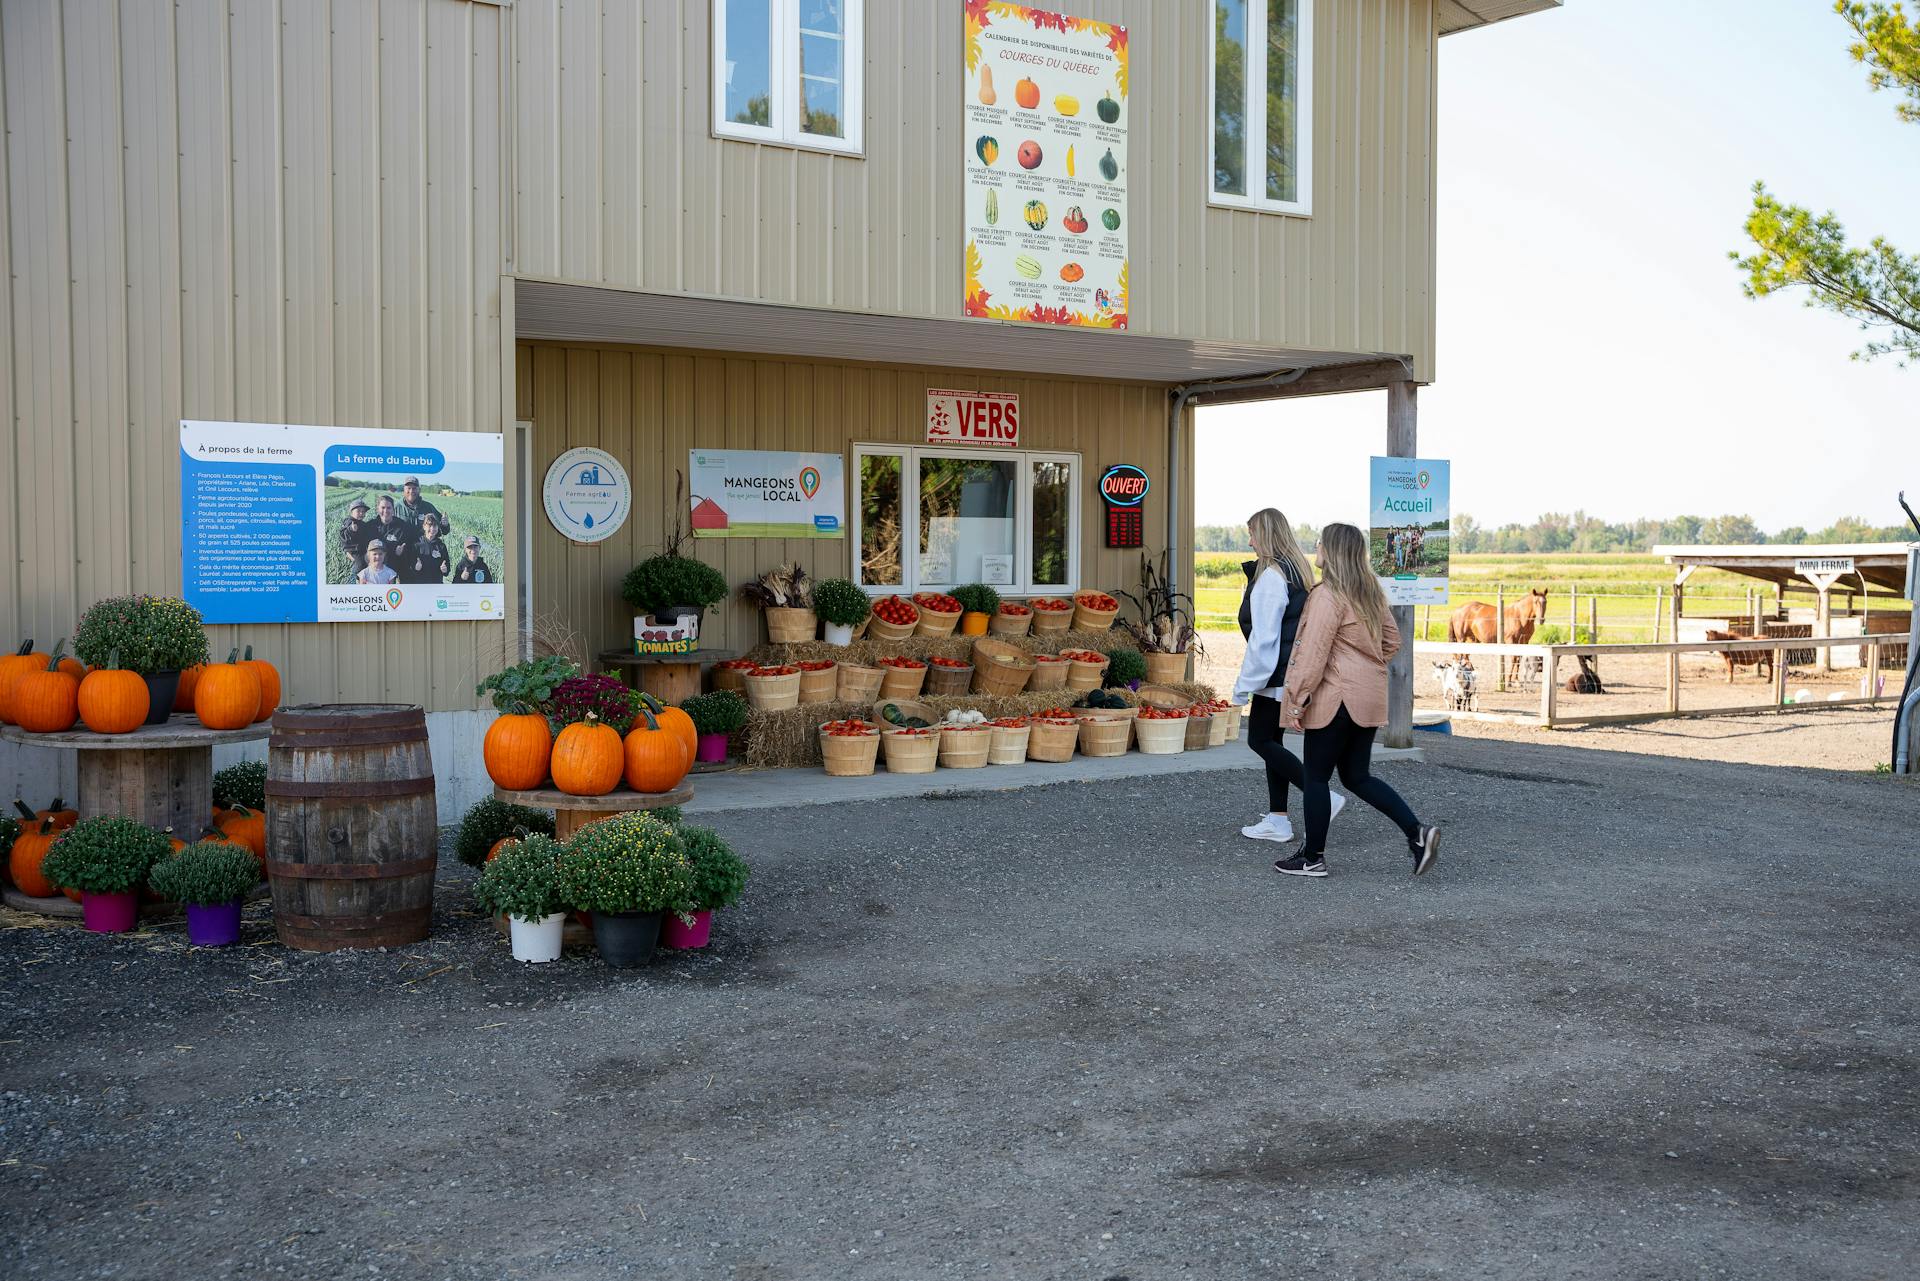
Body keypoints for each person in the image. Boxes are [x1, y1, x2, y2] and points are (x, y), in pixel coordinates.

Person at [1275, 522, 1441, 879]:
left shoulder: (1327, 595)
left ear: (1331, 550)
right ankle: (1417, 834)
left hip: (1336, 698)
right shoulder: (1369, 593)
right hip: (1366, 697)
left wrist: (1296, 701)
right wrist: (1364, 663)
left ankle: (1312, 858)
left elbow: (1314, 653)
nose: (1315, 546)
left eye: (1320, 542)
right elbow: (1391, 641)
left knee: (1316, 778)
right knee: (1356, 776)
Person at [1233, 508, 1342, 844]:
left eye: (1252, 533)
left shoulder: (1271, 577)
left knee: (1259, 740)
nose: (1249, 541)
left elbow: (1265, 639)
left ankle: (1324, 795)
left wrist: (1242, 688)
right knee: (1271, 742)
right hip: (1287, 670)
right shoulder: (1297, 570)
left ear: (1265, 534)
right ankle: (1278, 820)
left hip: (1275, 673)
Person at [402, 512, 450, 584]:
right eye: (429, 525)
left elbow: (447, 566)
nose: (432, 529)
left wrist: (445, 569)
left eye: (435, 526)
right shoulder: (416, 545)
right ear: (424, 526)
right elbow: (410, 566)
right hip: (420, 585)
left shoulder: (441, 546)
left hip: (436, 584)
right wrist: (415, 567)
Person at [366, 495, 411, 570]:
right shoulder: (369, 526)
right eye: (383, 507)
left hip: (393, 568)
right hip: (373, 568)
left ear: (393, 510)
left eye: (389, 508)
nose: (386, 511)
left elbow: (409, 548)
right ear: (377, 509)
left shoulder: (402, 527)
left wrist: (401, 553)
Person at [338, 497, 372, 579]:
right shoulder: (349, 521)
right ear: (351, 512)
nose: (361, 513)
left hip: (361, 549)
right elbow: (343, 534)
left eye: (363, 511)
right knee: (360, 564)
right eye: (358, 511)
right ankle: (353, 578)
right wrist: (351, 529)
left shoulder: (362, 523)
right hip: (353, 549)